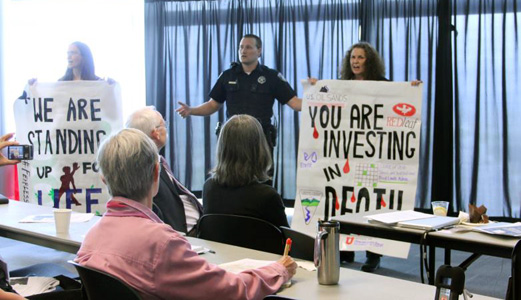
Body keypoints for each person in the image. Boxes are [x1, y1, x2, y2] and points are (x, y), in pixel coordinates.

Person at [75, 128, 297, 299]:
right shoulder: (161, 244)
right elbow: (232, 292)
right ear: (156, 172)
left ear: (104, 179)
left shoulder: (92, 237)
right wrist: (278, 270)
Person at [333, 42, 422, 273]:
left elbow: (401, 102)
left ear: (369, 61)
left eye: (361, 57)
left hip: (374, 156)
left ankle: (373, 254)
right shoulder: (342, 85)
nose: (355, 61)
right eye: (353, 57)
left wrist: (412, 88)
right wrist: (314, 87)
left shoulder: (383, 85)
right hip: (348, 155)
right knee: (346, 202)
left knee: (372, 205)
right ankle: (345, 249)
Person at [176, 34, 302, 152]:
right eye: (241, 47)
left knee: (262, 175)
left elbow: (295, 103)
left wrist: (317, 96)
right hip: (233, 138)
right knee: (231, 174)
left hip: (260, 138)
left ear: (259, 51)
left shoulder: (271, 76)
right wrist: (191, 110)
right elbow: (213, 105)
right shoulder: (227, 75)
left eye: (248, 47)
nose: (243, 51)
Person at [126, 106, 203, 235]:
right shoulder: (146, 169)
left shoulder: (155, 160)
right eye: (164, 124)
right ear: (155, 133)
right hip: (181, 235)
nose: (166, 128)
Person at [203, 115, 289, 228]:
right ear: (259, 149)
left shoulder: (209, 187)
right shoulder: (268, 197)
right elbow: (288, 242)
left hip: (217, 246)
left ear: (222, 149)